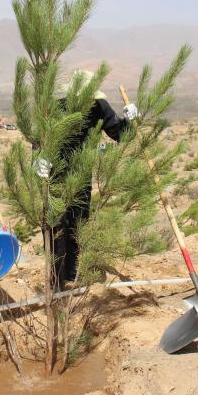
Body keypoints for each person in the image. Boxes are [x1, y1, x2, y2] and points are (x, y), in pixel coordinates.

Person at [51, 69, 138, 286]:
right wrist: (39, 159)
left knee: (78, 223)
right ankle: (55, 278)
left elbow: (118, 133)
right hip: (55, 175)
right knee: (56, 227)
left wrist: (130, 120)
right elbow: (42, 138)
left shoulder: (99, 106)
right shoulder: (57, 108)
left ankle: (71, 274)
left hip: (82, 172)